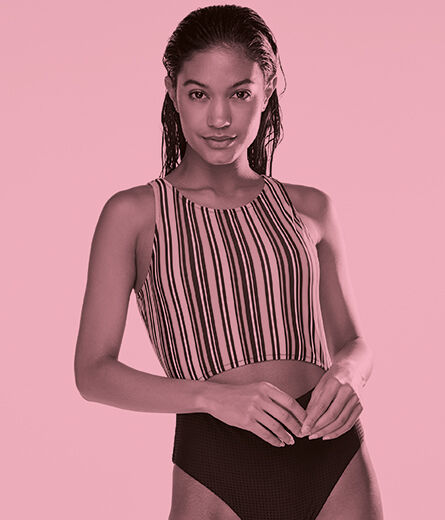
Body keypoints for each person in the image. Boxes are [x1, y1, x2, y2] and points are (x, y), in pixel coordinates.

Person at [74, 5, 384, 519]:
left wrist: (350, 372)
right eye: (199, 94)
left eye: (240, 94)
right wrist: (211, 398)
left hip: (332, 452)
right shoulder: (133, 214)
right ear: (173, 92)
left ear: (267, 91)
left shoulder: (310, 207)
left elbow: (353, 340)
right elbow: (92, 372)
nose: (219, 119)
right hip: (216, 460)